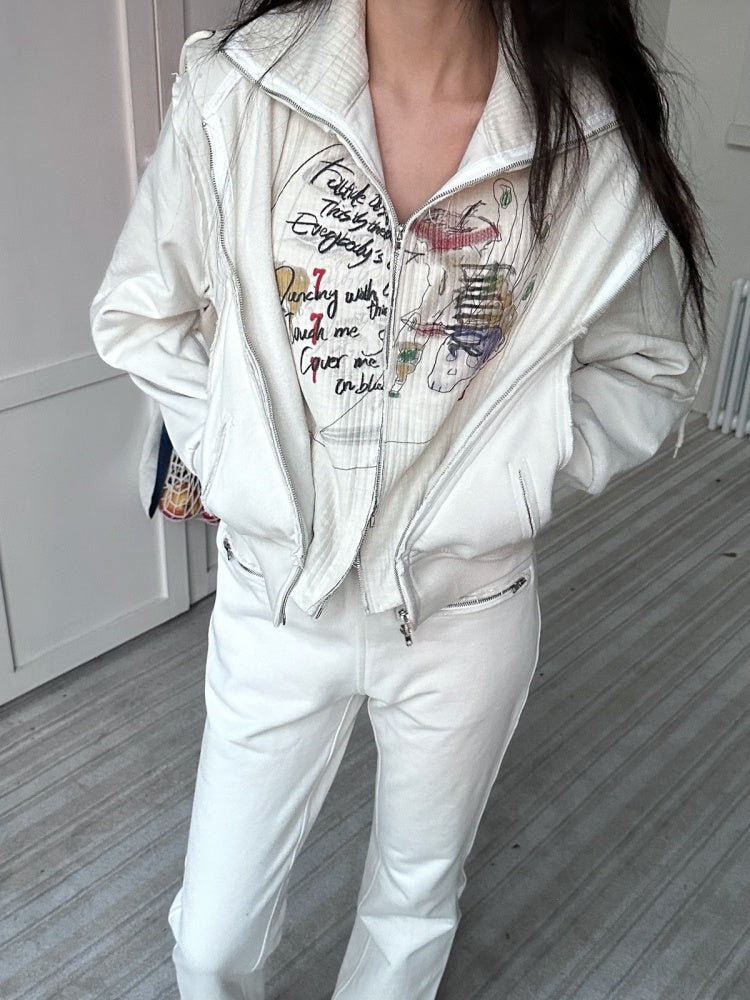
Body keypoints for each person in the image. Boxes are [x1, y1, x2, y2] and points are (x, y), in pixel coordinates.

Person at [89, 0, 712, 996]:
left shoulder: (587, 132)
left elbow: (649, 366)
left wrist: (521, 468)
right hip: (275, 601)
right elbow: (139, 314)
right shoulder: (239, 88)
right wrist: (237, 457)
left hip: (466, 613)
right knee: (210, 942)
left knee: (413, 905)